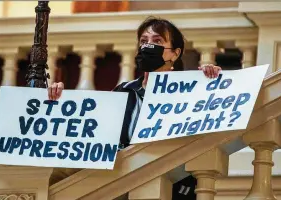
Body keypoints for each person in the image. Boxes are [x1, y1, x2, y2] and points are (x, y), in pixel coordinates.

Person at [48, 17, 221, 200]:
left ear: (175, 54)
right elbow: (92, 132)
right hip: (119, 177)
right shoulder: (124, 90)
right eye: (144, 41)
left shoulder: (190, 91)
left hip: (168, 183)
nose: (148, 46)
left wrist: (210, 84)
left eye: (157, 41)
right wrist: (58, 102)